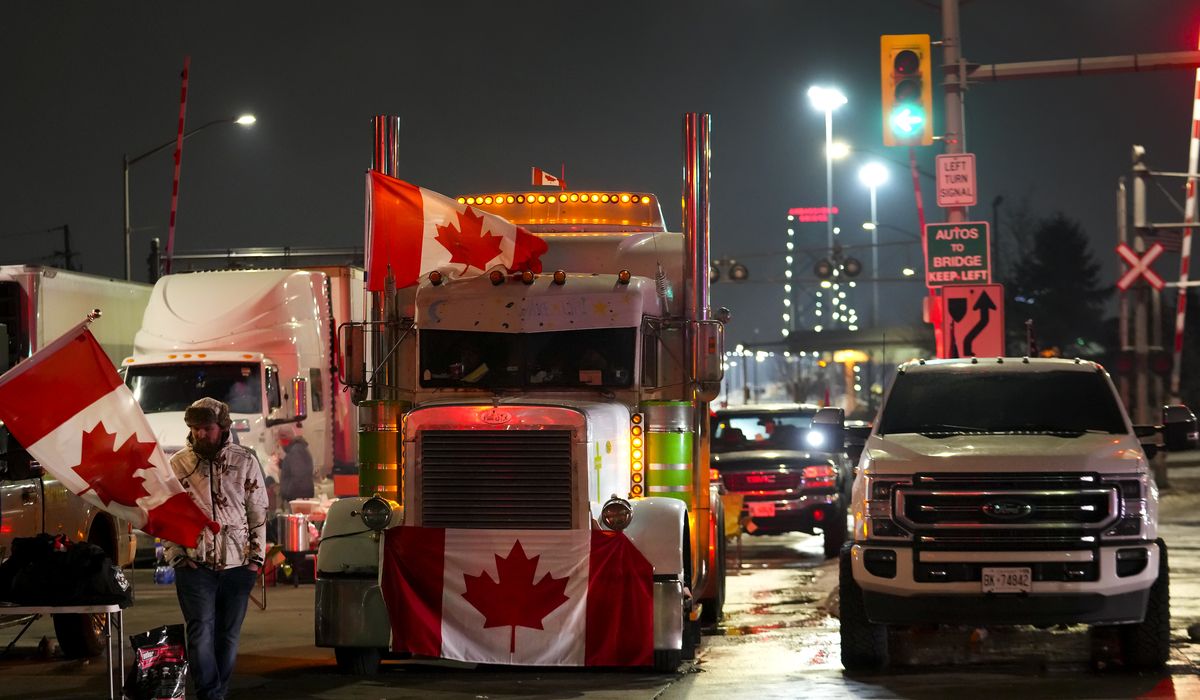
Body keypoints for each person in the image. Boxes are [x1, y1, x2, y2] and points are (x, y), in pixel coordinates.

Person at [163, 397, 268, 700]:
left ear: (222, 428)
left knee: (227, 635)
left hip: (239, 567)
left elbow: (258, 511)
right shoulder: (178, 464)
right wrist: (177, 556)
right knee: (200, 633)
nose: (199, 434)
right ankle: (211, 694)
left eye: (205, 428)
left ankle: (217, 691)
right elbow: (166, 515)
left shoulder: (245, 460)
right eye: (194, 428)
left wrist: (255, 560)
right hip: (194, 566)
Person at [278, 425, 315, 504]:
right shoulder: (297, 450)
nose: (280, 442)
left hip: (297, 498)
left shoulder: (296, 451)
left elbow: (299, 476)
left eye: (280, 438)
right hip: (299, 496)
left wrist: (287, 492)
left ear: (284, 437)